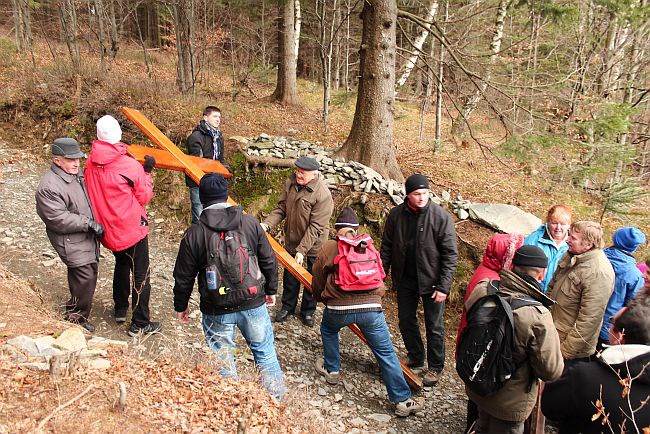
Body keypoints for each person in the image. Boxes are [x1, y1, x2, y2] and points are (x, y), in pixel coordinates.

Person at [172, 173, 284, 400]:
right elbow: (268, 260)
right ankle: (276, 405)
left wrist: (181, 305)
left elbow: (183, 276)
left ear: (202, 199)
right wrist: (271, 290)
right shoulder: (250, 223)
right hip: (252, 300)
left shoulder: (194, 233)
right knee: (265, 353)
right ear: (226, 195)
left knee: (223, 359)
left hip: (217, 307)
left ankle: (230, 405)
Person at [311, 208, 423, 417]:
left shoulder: (329, 247)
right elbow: (380, 278)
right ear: (356, 230)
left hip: (338, 308)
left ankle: (332, 369)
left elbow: (317, 277)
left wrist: (320, 297)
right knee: (385, 351)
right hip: (372, 310)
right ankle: (402, 400)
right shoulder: (369, 247)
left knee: (328, 328)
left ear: (337, 229)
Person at [464, 245, 564, 434]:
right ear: (542, 275)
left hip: (477, 383)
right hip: (510, 403)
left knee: (481, 425)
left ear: (512, 265)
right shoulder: (537, 315)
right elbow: (551, 371)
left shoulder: (484, 288)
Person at [84, 115, 161, 337]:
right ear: (118, 136)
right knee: (141, 274)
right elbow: (144, 196)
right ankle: (139, 323)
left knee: (121, 264)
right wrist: (146, 172)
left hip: (107, 228)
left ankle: (120, 308)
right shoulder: (128, 165)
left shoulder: (90, 162)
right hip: (130, 228)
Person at [380, 173, 458, 387]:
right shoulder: (396, 215)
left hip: (432, 280)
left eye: (425, 193)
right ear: (408, 195)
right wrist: (380, 275)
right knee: (406, 320)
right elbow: (386, 247)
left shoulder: (440, 217)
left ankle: (435, 367)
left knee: (434, 325)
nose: (422, 197)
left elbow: (450, 255)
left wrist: (444, 286)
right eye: (417, 194)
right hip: (405, 277)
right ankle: (415, 355)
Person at [542, 301, 650, 433]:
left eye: (612, 321)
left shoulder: (584, 377)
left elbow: (549, 407)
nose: (609, 326)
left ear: (620, 337)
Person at [455, 232, 524, 432]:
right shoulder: (491, 281)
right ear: (506, 256)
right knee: (476, 398)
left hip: (471, 342)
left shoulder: (488, 271)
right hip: (477, 346)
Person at [35, 138, 103, 332]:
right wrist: (87, 223)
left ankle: (77, 313)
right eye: (71, 159)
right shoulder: (48, 186)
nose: (76, 163)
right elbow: (57, 218)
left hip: (84, 235)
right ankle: (75, 320)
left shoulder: (73, 173)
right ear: (57, 161)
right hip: (69, 238)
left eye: (78, 159)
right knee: (85, 277)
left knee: (89, 272)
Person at [262, 156, 334, 327]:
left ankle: (308, 312)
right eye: (297, 171)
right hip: (293, 242)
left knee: (312, 279)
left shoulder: (323, 194)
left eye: (302, 173)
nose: (298, 175)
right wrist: (267, 224)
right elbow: (281, 208)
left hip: (314, 246)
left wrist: (302, 250)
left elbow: (316, 227)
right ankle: (287, 307)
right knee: (290, 277)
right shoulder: (291, 183)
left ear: (314, 174)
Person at [547, 221, 614, 365]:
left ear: (588, 245)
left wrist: (565, 352)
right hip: (552, 333)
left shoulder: (599, 273)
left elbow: (589, 320)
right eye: (570, 234)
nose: (567, 239)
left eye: (573, 238)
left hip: (569, 351)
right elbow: (551, 288)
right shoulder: (572, 254)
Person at [598, 227, 646, 349]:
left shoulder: (595, 257)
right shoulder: (635, 275)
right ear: (634, 247)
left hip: (581, 323)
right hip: (609, 330)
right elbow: (632, 306)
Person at [185, 106, 230, 224]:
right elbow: (197, 164)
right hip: (197, 180)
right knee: (199, 213)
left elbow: (220, 159)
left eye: (219, 117)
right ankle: (198, 239)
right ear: (205, 117)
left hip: (215, 181)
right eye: (215, 116)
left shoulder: (219, 137)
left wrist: (226, 169)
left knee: (218, 212)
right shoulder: (196, 137)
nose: (218, 119)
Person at [524, 204, 572, 293]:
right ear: (548, 222)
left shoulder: (573, 245)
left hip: (557, 296)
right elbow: (522, 268)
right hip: (532, 291)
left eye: (563, 224)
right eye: (554, 223)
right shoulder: (534, 240)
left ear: (569, 225)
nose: (558, 227)